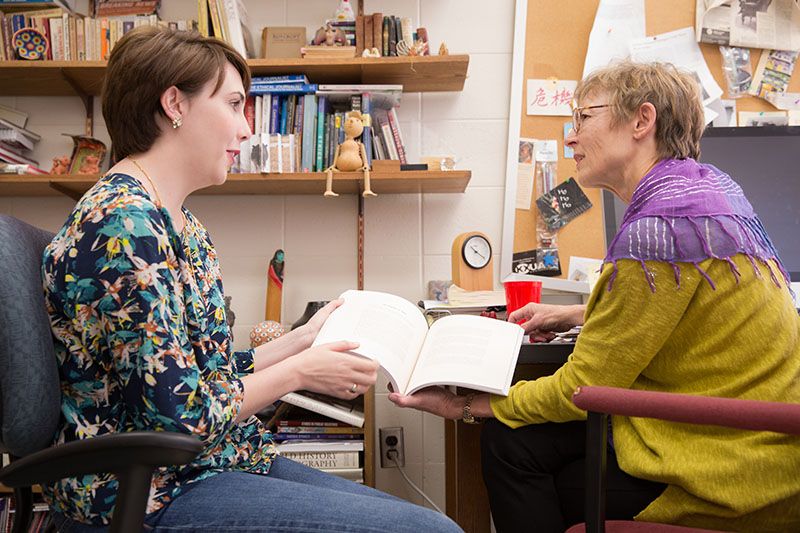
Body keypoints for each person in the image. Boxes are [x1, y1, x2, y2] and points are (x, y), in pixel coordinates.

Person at [41, 26, 461, 533]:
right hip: (145, 488)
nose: (246, 129)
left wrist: (302, 339)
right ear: (174, 103)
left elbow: (200, 371)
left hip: (211, 463)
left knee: (429, 525)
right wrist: (300, 372)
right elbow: (180, 417)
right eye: (235, 105)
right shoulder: (123, 226)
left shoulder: (179, 222)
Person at [390, 61, 800, 532]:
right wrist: (578, 312)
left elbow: (577, 391)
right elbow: (696, 311)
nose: (571, 137)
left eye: (583, 118)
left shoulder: (657, 234)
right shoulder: (706, 193)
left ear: (641, 121)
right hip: (765, 447)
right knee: (523, 446)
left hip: (726, 470)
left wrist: (465, 407)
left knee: (510, 447)